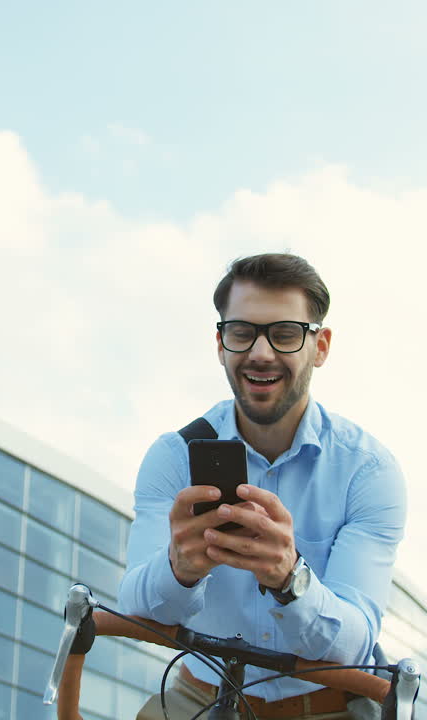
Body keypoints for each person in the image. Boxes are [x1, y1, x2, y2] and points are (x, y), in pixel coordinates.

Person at [117, 253, 407, 720]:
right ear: (220, 343)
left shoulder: (368, 470)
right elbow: (134, 606)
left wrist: (290, 579)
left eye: (286, 334)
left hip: (327, 709)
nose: (261, 352)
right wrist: (179, 569)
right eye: (242, 332)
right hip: (200, 701)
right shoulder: (173, 457)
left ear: (322, 346)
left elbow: (355, 639)